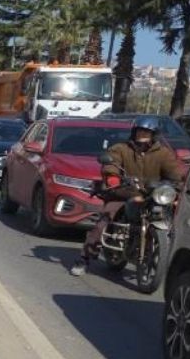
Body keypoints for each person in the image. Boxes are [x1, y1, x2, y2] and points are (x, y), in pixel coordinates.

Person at [71, 115, 183, 276]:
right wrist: (113, 178)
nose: (142, 135)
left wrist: (174, 186)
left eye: (146, 132)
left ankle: (168, 262)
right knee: (102, 224)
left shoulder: (164, 153)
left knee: (175, 222)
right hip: (122, 193)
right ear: (133, 132)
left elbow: (175, 175)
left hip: (152, 196)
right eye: (139, 131)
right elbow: (111, 164)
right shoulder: (121, 148)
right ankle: (84, 259)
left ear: (154, 134)